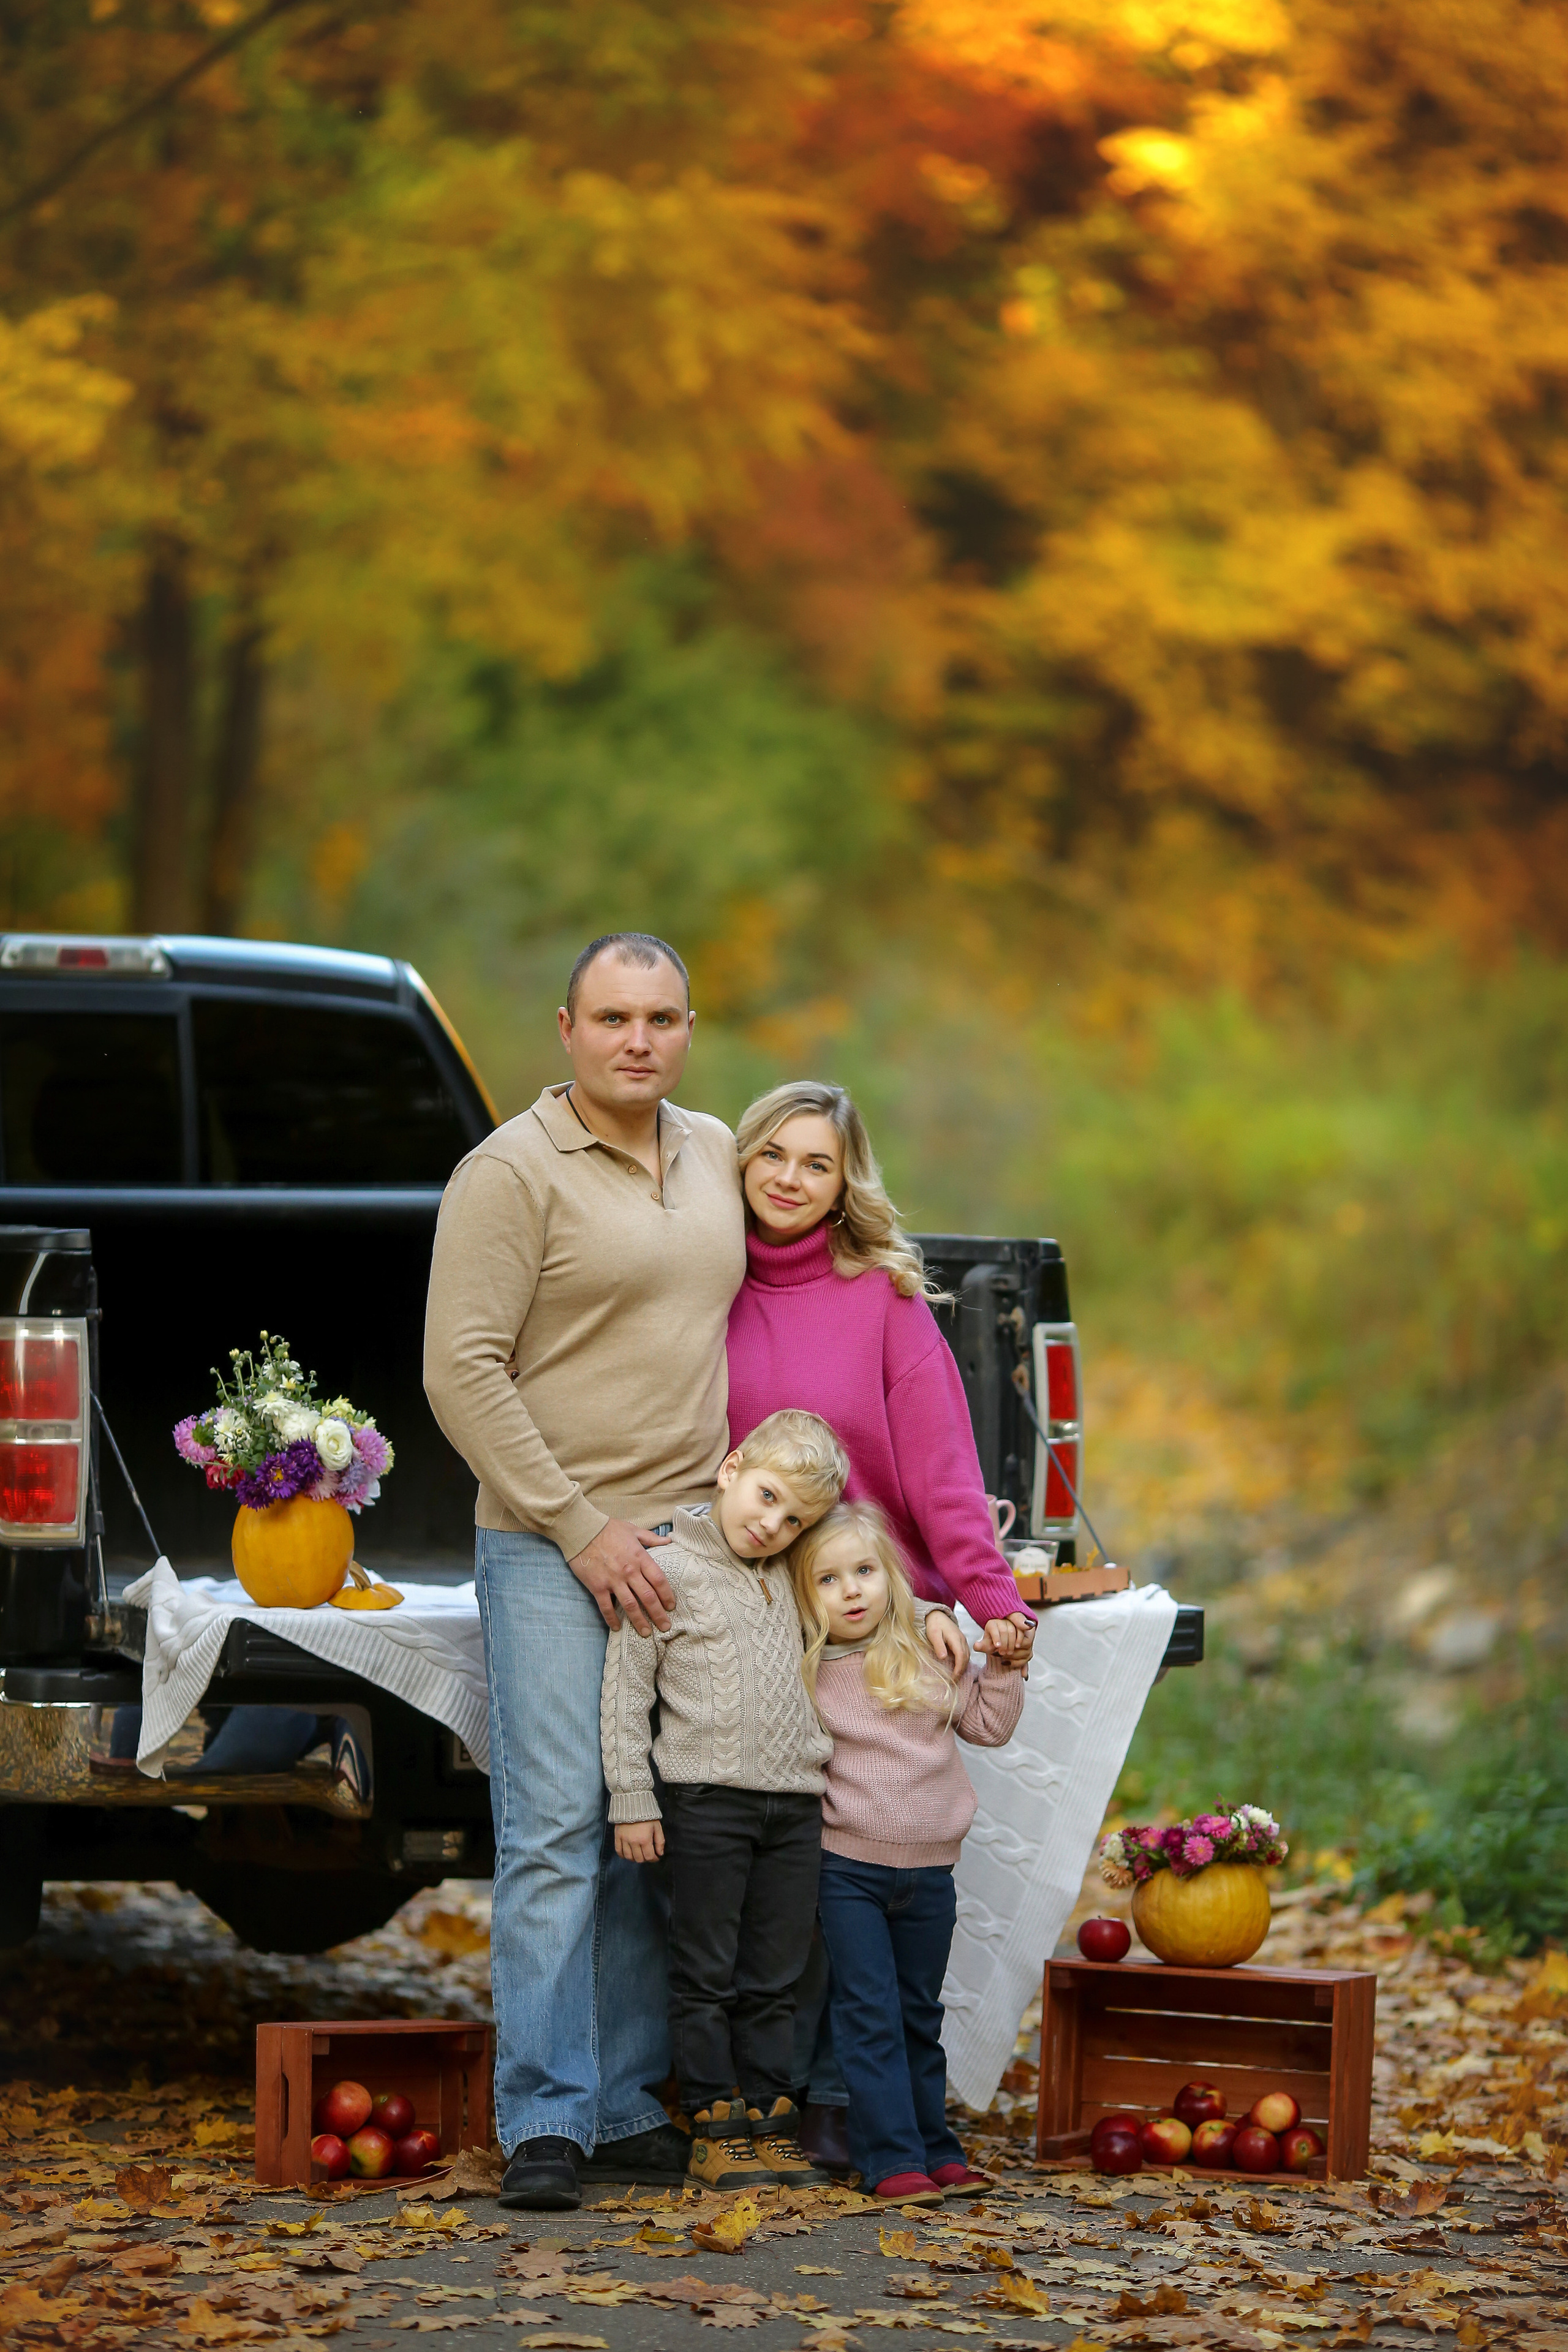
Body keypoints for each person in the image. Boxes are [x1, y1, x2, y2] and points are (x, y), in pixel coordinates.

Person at [423, 932, 745, 2214]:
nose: (638, 1040)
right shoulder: (509, 1172)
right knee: (557, 1826)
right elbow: (460, 1372)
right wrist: (577, 1524)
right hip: (553, 1543)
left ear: (689, 1030)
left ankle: (623, 2107)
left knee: (645, 1829)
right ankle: (547, 2116)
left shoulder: (716, 1152)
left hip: (694, 1549)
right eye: (613, 1017)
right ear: (567, 1030)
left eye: (661, 1018)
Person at [725, 1077, 1037, 2157]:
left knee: (851, 1855)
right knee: (755, 1863)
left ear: (844, 1182)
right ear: (740, 1159)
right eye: (773, 1154)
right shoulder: (700, 1285)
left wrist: (978, 1603)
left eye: (817, 1163)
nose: (790, 1179)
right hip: (747, 1617)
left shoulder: (883, 1301)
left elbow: (944, 1469)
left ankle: (842, 2098)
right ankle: (730, 2085)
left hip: (863, 1619)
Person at [601, 1409, 847, 2192]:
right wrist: (632, 1797)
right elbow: (625, 1693)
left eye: (795, 1519)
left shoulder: (794, 1577)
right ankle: (713, 2123)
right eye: (768, 1497)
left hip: (794, 1806)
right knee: (705, 1969)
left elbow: (865, 1609)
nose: (773, 1524)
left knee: (778, 1973)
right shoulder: (666, 1569)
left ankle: (771, 2119)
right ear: (732, 1468)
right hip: (705, 1800)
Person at [791, 1499, 1026, 2203]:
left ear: (890, 1577)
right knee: (869, 2015)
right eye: (828, 1580)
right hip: (848, 1872)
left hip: (930, 1874)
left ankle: (936, 2149)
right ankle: (890, 2159)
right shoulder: (806, 1668)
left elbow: (988, 1726)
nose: (851, 1590)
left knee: (919, 2014)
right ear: (805, 1596)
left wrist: (1002, 1666)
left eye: (864, 1571)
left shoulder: (928, 1648)